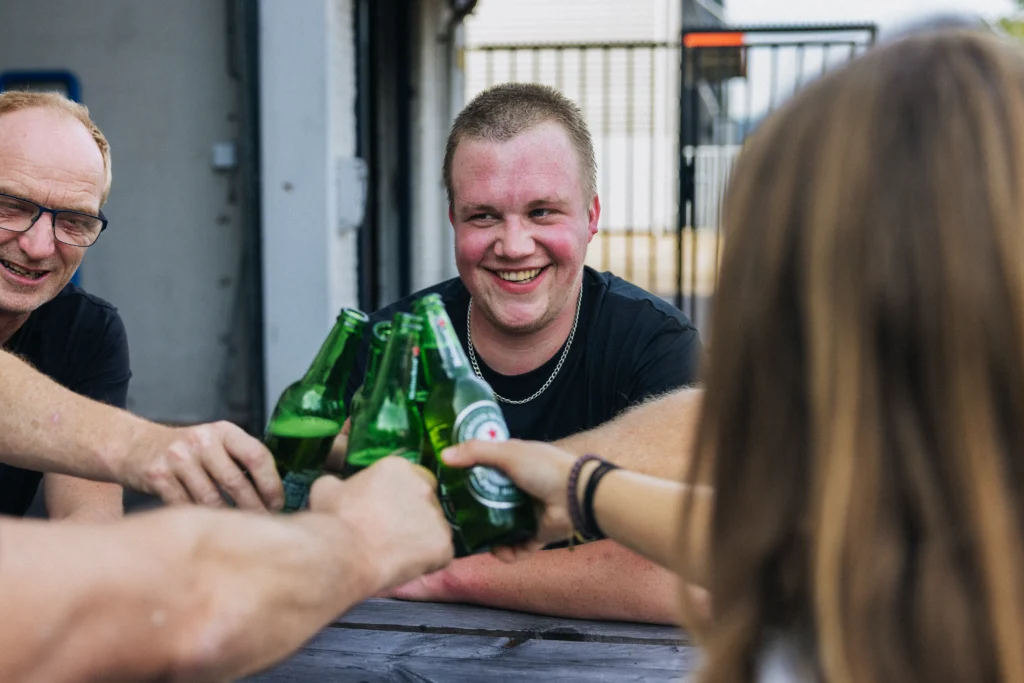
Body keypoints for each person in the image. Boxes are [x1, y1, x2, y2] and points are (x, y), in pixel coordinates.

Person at [440, 29, 1024, 683]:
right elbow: (769, 530)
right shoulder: (919, 526)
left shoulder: (653, 338)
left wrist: (470, 557)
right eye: (484, 216)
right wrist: (580, 486)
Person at [349, 82, 702, 623]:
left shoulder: (655, 344)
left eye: (542, 212)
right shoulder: (390, 339)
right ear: (453, 221)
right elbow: (336, 515)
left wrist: (449, 574)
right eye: (484, 216)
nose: (514, 245)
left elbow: (686, 574)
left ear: (591, 216)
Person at [0, 348, 453, 682]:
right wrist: (363, 540)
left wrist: (136, 444)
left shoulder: (84, 325)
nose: (40, 245)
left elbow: (93, 537)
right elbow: (182, 605)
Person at [0, 90, 275, 516]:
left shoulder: (86, 329)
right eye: (9, 206)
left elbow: (90, 527)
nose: (39, 246)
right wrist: (139, 446)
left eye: (73, 221)